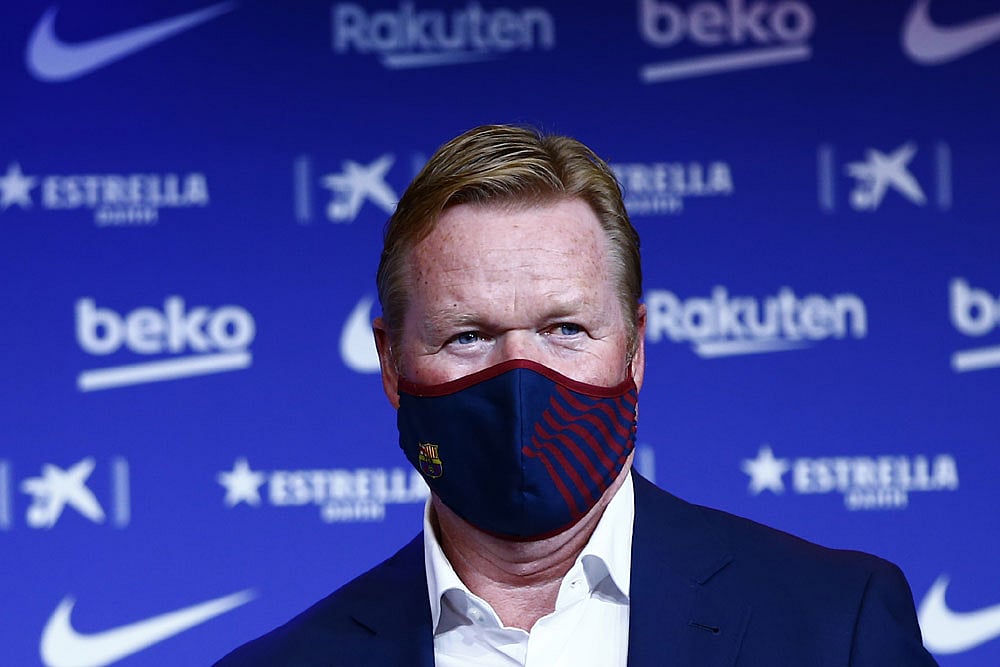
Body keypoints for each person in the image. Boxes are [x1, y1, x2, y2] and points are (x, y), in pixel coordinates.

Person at [215, 125, 937, 666]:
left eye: (565, 328)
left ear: (634, 348)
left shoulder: (836, 625)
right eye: (468, 335)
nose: (520, 379)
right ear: (391, 364)